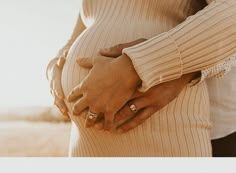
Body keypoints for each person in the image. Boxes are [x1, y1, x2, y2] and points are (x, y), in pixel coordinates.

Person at [46, 0, 236, 156]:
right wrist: (55, 65)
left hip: (164, 122)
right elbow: (83, 29)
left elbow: (231, 12)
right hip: (84, 142)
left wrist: (139, 66)